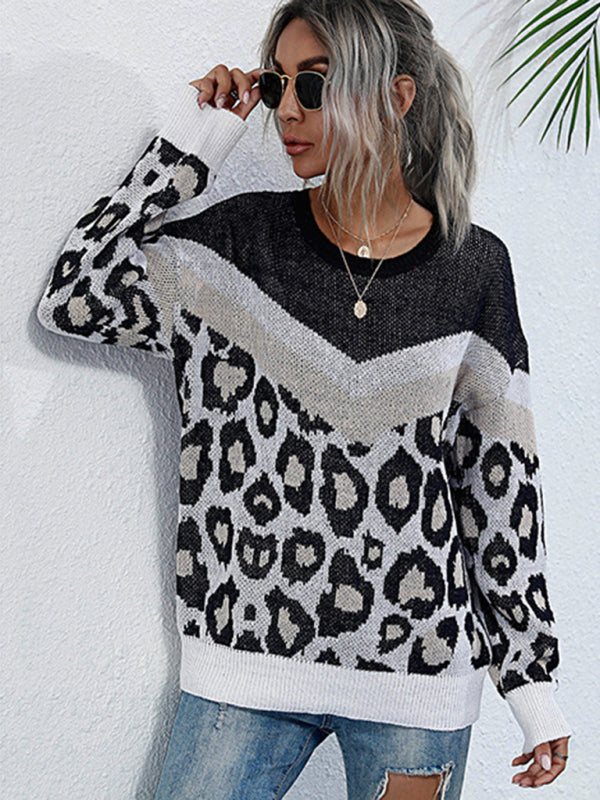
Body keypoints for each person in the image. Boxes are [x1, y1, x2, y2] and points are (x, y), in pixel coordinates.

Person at [35, 0, 573, 797]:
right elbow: (73, 297)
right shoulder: (232, 248)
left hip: (416, 686)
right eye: (278, 84)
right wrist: (192, 145)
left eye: (314, 86)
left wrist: (531, 685)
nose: (287, 110)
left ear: (396, 96)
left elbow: (498, 487)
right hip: (243, 670)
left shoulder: (473, 269)